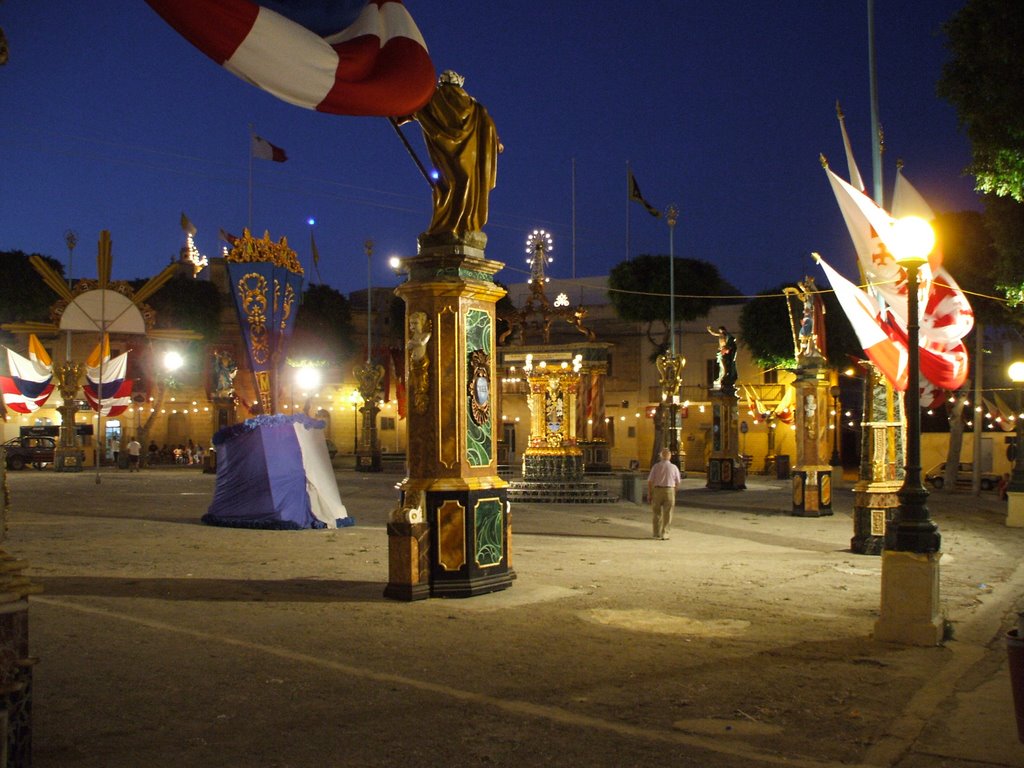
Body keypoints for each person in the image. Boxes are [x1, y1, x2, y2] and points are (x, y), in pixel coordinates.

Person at [400, 70, 502, 243]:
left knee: (447, 188)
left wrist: (397, 110)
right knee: (465, 186)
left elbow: (414, 109)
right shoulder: (475, 108)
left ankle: (448, 227)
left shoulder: (435, 100)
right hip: (470, 160)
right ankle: (462, 227)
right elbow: (490, 129)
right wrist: (495, 144)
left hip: (448, 158)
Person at [647, 447, 682, 540]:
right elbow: (678, 482)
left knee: (656, 513)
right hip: (669, 490)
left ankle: (656, 533)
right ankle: (665, 533)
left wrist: (650, 493)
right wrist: (674, 491)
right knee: (668, 513)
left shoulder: (656, 466)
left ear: (661, 456)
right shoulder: (674, 467)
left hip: (657, 490)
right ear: (669, 456)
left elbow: (650, 481)